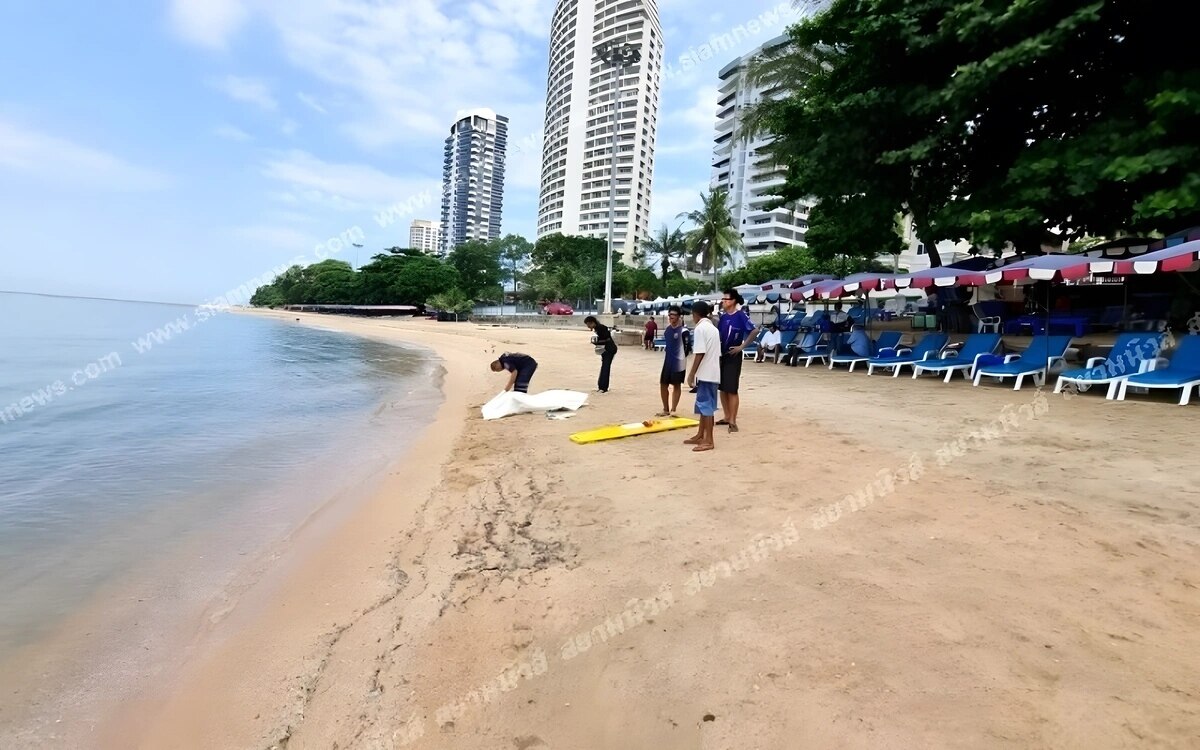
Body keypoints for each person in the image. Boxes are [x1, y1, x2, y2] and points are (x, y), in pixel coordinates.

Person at [717, 289, 757, 433]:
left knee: (732, 388)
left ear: (733, 300)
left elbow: (754, 330)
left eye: (726, 299)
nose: (723, 301)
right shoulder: (722, 317)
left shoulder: (740, 315)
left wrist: (742, 346)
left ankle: (733, 420)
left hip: (734, 355)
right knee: (722, 387)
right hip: (722, 355)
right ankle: (727, 416)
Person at [684, 300, 720, 452]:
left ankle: (709, 440)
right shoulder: (712, 328)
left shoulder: (700, 329)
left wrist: (691, 373)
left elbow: (700, 352)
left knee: (706, 406)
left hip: (706, 372)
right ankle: (701, 434)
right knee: (705, 405)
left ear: (695, 314)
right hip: (713, 371)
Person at [657, 306, 687, 416]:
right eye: (669, 315)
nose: (671, 317)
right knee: (663, 384)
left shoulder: (684, 331)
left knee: (676, 385)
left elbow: (687, 348)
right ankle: (665, 409)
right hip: (668, 361)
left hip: (679, 362)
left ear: (679, 316)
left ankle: (673, 410)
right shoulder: (668, 330)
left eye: (673, 315)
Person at [584, 315, 617, 393]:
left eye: (589, 325)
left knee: (605, 368)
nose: (588, 327)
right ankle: (601, 386)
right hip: (605, 349)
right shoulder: (597, 328)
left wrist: (596, 342)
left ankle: (603, 387)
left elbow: (606, 339)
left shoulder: (601, 328)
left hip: (609, 349)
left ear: (592, 323)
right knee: (604, 367)